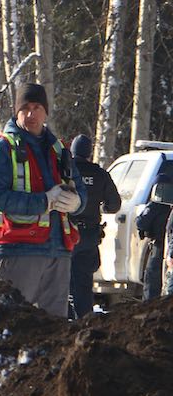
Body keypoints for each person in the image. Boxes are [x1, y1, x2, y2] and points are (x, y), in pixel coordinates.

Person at [0, 83, 86, 317]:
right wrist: (44, 201)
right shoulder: (1, 148)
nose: (31, 114)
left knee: (53, 333)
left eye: (37, 107)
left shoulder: (59, 151)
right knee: (10, 329)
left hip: (57, 252)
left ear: (45, 111)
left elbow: (81, 191)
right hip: (15, 252)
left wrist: (77, 203)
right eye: (25, 108)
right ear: (16, 112)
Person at [68, 135, 121, 316]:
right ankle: (83, 320)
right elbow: (114, 205)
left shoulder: (64, 171)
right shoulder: (100, 174)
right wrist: (100, 205)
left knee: (60, 280)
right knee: (83, 282)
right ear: (89, 152)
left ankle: (62, 318)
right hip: (88, 235)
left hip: (65, 233)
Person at [137, 174, 172, 301]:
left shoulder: (156, 204)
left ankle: (150, 308)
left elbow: (141, 222)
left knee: (153, 279)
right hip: (166, 245)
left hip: (160, 246)